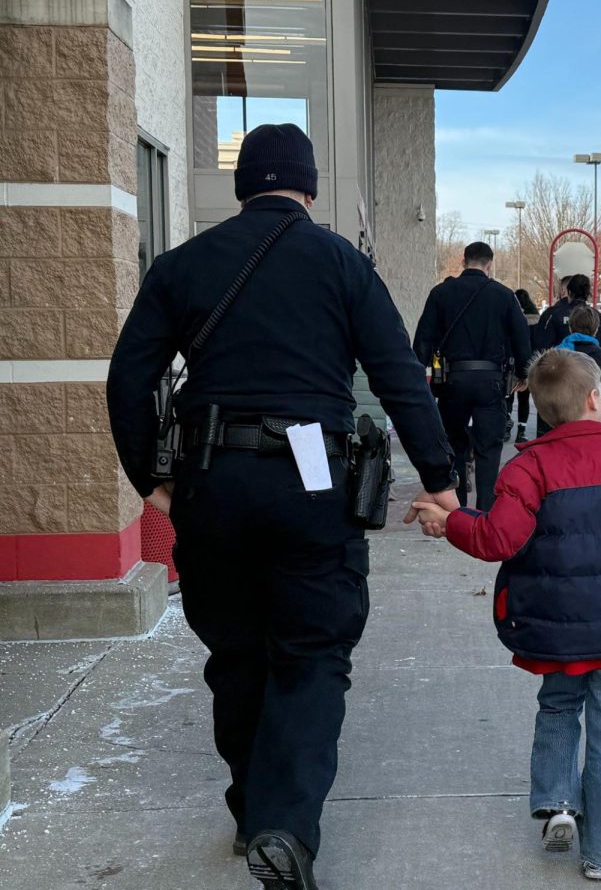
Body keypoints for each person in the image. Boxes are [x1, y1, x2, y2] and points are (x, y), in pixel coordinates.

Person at [106, 123, 460, 890]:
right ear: (308, 187)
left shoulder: (182, 265)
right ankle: (285, 828)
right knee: (312, 653)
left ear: (242, 189)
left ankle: (250, 812)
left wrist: (150, 480)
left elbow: (128, 379)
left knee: (236, 652)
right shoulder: (341, 264)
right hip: (314, 484)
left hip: (210, 481)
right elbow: (399, 375)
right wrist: (439, 476)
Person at [411, 348, 601, 881]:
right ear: (597, 400)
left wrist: (451, 520)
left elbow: (498, 536)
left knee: (558, 710)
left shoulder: (527, 468)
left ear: (545, 412)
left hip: (553, 632)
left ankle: (557, 804)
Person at [414, 242, 533, 511]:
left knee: (453, 444)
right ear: (489, 264)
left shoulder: (441, 293)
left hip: (452, 380)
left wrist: (419, 373)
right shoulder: (503, 296)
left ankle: (457, 508)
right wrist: (524, 373)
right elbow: (521, 337)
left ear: (464, 260)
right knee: (488, 448)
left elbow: (423, 338)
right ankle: (486, 510)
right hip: (491, 380)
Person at [547, 275, 601, 394]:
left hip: (562, 378)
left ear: (569, 292)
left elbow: (542, 347)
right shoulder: (598, 317)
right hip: (592, 378)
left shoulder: (554, 315)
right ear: (588, 294)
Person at [558, 305, 601, 423]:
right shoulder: (599, 356)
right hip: (591, 424)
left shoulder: (558, 353)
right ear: (596, 329)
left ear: (570, 327)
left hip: (562, 422)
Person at [507, 288, 541, 443]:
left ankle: (506, 426)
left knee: (508, 395)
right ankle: (522, 430)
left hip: (511, 362)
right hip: (530, 364)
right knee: (524, 399)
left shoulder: (512, 319)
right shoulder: (536, 320)